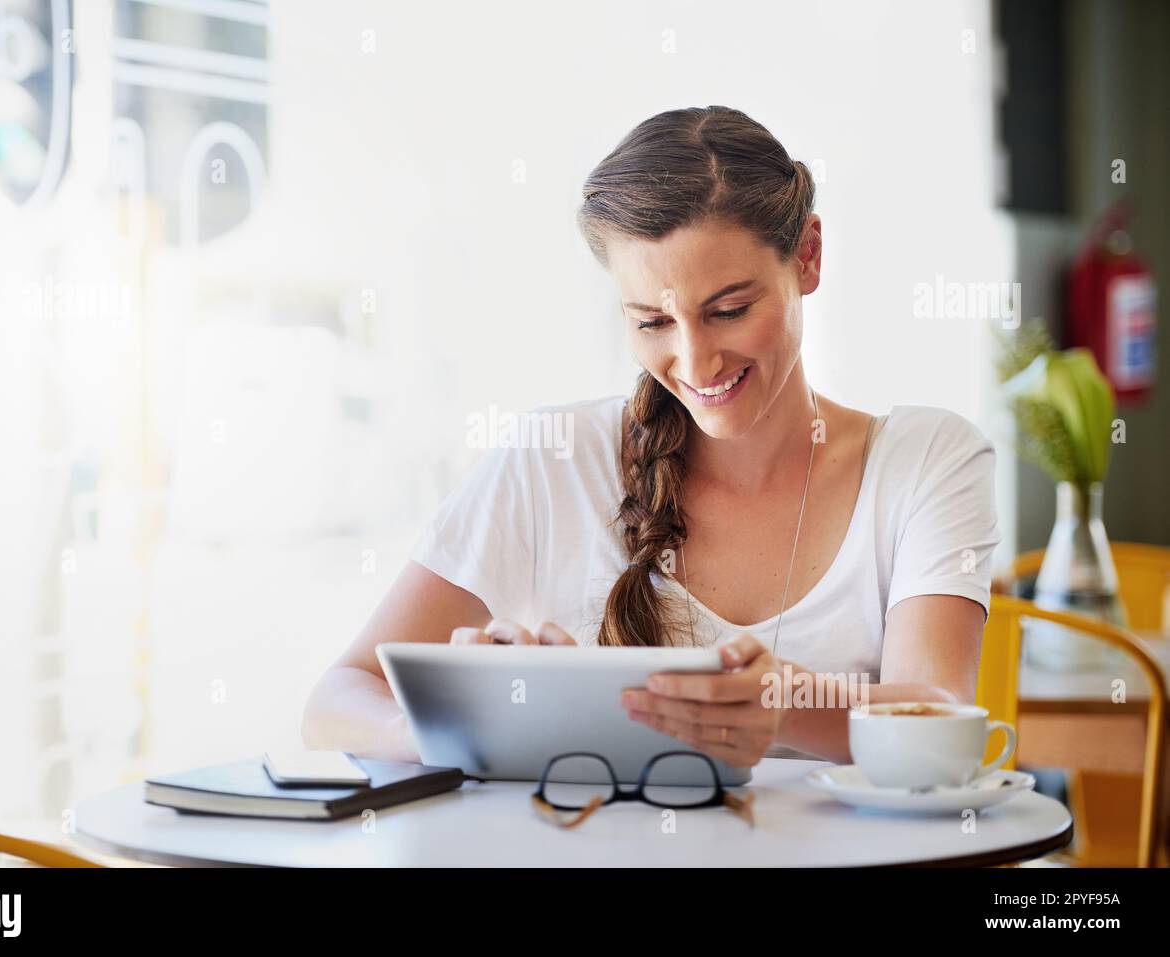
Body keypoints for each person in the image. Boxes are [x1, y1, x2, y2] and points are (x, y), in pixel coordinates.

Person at [303, 105, 1000, 767]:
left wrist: (784, 705)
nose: (696, 363)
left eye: (729, 309)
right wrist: (458, 726)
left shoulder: (925, 462)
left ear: (808, 256)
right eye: (651, 322)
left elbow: (939, 713)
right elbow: (336, 699)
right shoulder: (554, 458)